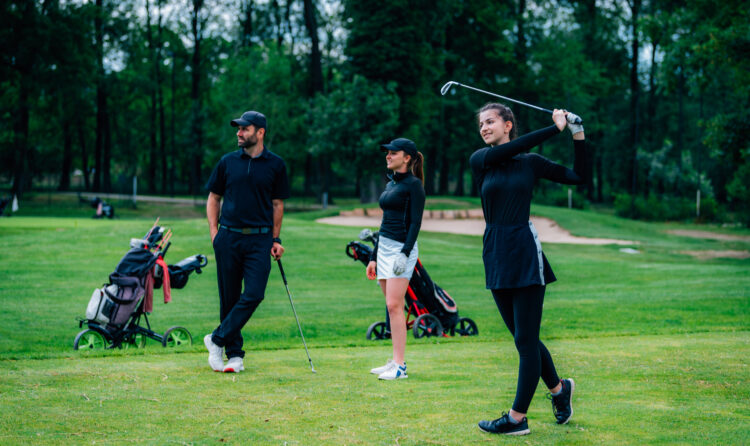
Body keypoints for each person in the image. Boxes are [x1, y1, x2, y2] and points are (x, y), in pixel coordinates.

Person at [470, 103, 585, 435]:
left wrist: (577, 135)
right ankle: (559, 390)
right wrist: (554, 128)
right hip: (494, 251)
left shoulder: (530, 163)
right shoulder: (481, 160)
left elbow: (578, 177)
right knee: (524, 338)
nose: (484, 127)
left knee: (525, 339)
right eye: (481, 123)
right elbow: (516, 147)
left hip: (524, 251)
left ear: (508, 124)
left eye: (490, 121)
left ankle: (517, 418)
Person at [204, 110, 290, 373]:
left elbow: (277, 204)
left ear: (260, 132)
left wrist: (275, 238)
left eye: (245, 129)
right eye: (238, 129)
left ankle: (216, 339)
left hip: (260, 239)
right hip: (228, 237)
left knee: (254, 293)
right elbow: (213, 198)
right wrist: (214, 233)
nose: (239, 133)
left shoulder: (276, 165)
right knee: (229, 297)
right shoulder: (227, 162)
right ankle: (234, 355)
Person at [366, 138, 426, 380]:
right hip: (384, 249)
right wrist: (373, 256)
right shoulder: (391, 184)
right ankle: (394, 361)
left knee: (394, 305)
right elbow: (384, 223)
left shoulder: (414, 186)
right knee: (393, 308)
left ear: (407, 157)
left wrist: (405, 252)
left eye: (393, 153)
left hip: (402, 250)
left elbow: (415, 223)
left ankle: (400, 366)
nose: (388, 156)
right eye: (387, 153)